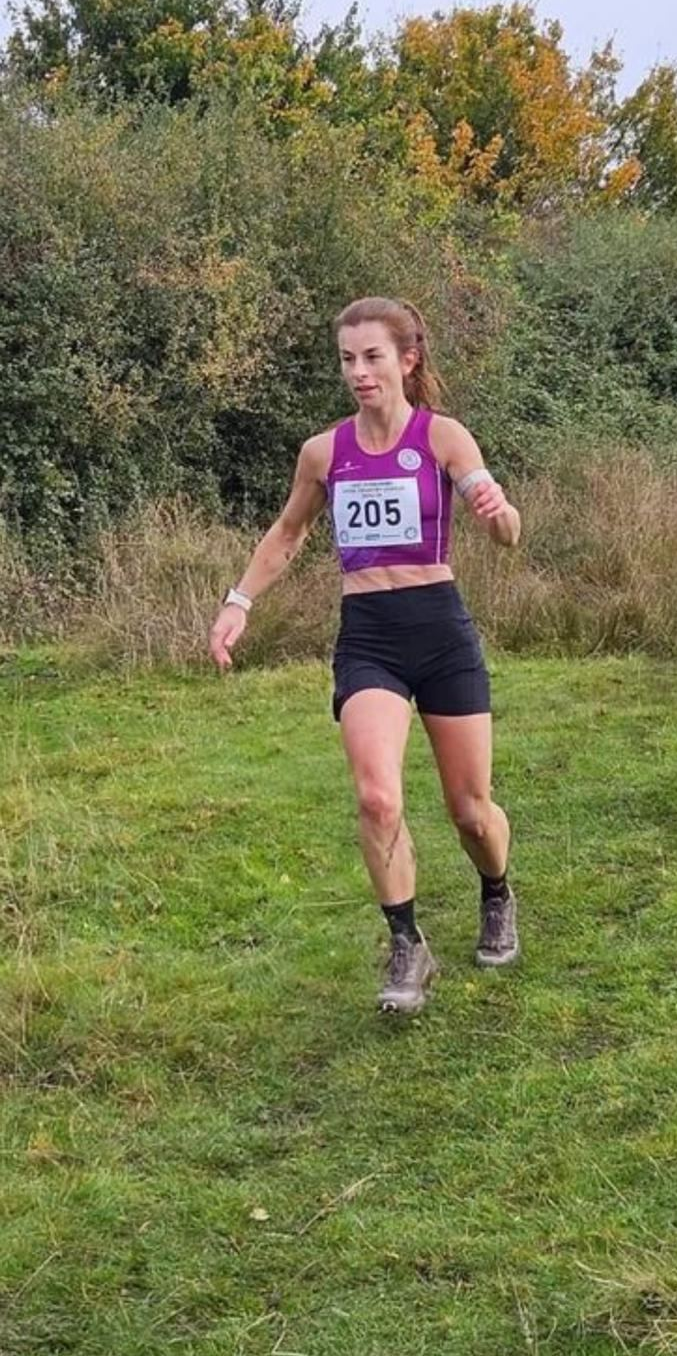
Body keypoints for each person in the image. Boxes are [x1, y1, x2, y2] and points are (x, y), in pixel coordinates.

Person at [209, 297, 521, 1015]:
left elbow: (506, 532)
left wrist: (499, 515)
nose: (358, 372)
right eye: (347, 359)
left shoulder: (442, 437)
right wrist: (238, 601)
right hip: (369, 637)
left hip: (440, 632)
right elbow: (287, 535)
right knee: (377, 797)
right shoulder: (324, 453)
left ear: (407, 359)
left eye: (372, 356)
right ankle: (407, 944)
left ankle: (496, 893)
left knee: (470, 811)